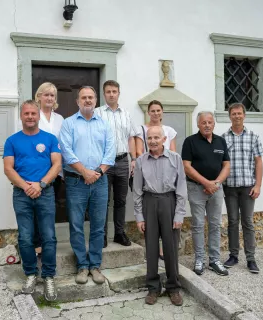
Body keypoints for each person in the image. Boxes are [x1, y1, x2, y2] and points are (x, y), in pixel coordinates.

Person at [3, 100, 61, 301]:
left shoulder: (50, 138)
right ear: (21, 116)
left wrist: (40, 184)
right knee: (25, 238)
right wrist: (26, 186)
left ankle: (48, 276)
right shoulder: (12, 141)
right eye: (26, 113)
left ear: (38, 116)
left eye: (33, 114)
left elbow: (56, 165)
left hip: (45, 193)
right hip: (21, 195)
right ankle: (30, 274)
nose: (30, 117)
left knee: (49, 237)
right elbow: (8, 168)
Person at [59, 86, 116, 285]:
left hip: (100, 181)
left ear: (95, 100)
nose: (87, 100)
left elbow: (111, 151)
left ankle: (95, 265)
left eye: (91, 97)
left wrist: (98, 172)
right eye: (84, 97)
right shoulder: (68, 124)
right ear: (77, 101)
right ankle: (82, 266)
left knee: (98, 226)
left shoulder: (105, 124)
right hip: (76, 182)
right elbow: (66, 151)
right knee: (76, 225)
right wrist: (84, 172)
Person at [133, 126, 186, 306]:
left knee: (170, 247)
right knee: (151, 248)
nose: (153, 141)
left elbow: (181, 188)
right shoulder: (141, 161)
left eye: (157, 137)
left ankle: (173, 287)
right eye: (150, 138)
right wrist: (139, 216)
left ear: (164, 139)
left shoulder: (175, 158)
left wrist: (179, 214)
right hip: (149, 202)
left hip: (169, 202)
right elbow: (137, 190)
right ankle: (153, 287)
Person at [181, 111, 230, 276]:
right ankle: (199, 259)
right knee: (198, 225)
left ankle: (215, 260)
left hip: (216, 189)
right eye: (204, 122)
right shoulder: (190, 142)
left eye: (210, 122)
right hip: (197, 189)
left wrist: (215, 183)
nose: (207, 125)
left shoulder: (221, 141)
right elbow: (186, 166)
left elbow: (226, 165)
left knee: (215, 225)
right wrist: (206, 183)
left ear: (214, 124)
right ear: (198, 124)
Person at [94, 80, 139, 248]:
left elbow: (131, 138)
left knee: (120, 200)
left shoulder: (126, 114)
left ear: (119, 93)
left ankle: (119, 233)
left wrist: (133, 159)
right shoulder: (97, 113)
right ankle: (102, 235)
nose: (111, 94)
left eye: (114, 91)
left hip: (122, 162)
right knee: (102, 200)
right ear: (104, 94)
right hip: (103, 163)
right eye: (108, 91)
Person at [221, 103, 263, 273]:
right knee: (232, 221)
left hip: (248, 187)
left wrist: (258, 185)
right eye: (234, 113)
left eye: (239, 113)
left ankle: (251, 259)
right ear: (230, 116)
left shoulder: (253, 136)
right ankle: (233, 255)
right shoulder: (223, 138)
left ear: (244, 116)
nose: (237, 116)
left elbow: (258, 162)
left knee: (247, 222)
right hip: (230, 187)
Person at [135, 100, 178, 260]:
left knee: (166, 220)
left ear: (162, 112)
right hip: (148, 174)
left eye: (158, 110)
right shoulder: (141, 130)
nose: (155, 113)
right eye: (152, 110)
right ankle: (154, 252)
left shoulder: (169, 131)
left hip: (166, 178)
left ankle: (165, 251)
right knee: (151, 221)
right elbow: (140, 151)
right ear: (148, 112)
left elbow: (173, 152)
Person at [28, 82, 65, 257]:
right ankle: (36, 245)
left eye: (52, 95)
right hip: (36, 171)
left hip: (55, 171)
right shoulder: (34, 116)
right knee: (35, 208)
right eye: (46, 94)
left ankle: (48, 243)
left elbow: (62, 145)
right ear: (39, 96)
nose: (49, 98)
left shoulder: (60, 119)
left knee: (50, 209)